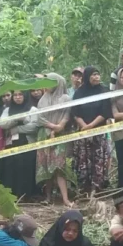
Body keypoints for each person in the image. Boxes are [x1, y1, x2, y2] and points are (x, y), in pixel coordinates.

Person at [72, 66, 114, 193]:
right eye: (93, 75)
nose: (96, 77)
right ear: (87, 77)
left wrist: (91, 126)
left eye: (98, 74)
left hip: (98, 132)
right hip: (83, 132)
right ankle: (84, 189)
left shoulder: (104, 91)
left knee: (98, 159)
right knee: (83, 159)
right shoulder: (79, 93)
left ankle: (97, 188)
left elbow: (105, 111)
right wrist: (84, 126)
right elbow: (74, 112)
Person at [36, 73, 74, 207]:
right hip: (44, 134)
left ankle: (65, 199)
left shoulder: (65, 98)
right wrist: (51, 127)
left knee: (59, 167)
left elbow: (66, 115)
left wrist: (57, 128)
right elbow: (39, 117)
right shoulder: (43, 99)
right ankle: (48, 197)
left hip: (60, 134)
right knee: (46, 166)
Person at [0, 90, 38, 199]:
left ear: (25, 96)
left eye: (20, 94)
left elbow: (34, 127)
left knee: (25, 169)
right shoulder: (7, 110)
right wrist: (16, 119)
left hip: (27, 143)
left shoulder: (32, 109)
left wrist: (16, 129)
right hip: (11, 144)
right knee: (10, 168)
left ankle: (25, 196)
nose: (17, 97)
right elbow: (2, 124)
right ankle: (11, 197)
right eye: (15, 95)